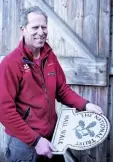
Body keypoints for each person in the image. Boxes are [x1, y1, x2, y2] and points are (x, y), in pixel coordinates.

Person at [0, 6, 103, 162]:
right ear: (23, 30)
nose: (41, 32)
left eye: (44, 27)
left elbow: (62, 90)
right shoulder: (11, 63)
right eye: (35, 27)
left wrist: (86, 105)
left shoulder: (50, 57)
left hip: (53, 136)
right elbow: (4, 110)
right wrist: (35, 140)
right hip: (23, 144)